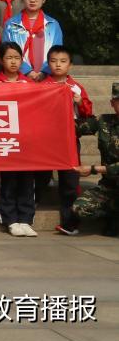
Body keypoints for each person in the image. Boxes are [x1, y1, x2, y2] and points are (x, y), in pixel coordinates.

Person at [42, 45, 95, 235]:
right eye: (54, 61)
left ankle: (70, 223)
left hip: (69, 138)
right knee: (40, 176)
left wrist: (80, 102)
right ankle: (28, 215)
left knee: (70, 180)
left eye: (63, 61)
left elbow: (88, 113)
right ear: (48, 64)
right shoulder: (42, 85)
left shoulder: (76, 87)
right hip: (46, 138)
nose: (58, 65)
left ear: (70, 65)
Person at [0, 43, 37, 237]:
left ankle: (26, 219)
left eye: (17, 58)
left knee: (27, 180)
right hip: (4, 140)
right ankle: (10, 219)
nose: (13, 62)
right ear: (0, 60)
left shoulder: (30, 84)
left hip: (26, 139)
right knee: (8, 181)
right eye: (9, 58)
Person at [70, 82, 119, 238]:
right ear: (112, 103)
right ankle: (113, 214)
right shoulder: (104, 121)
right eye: (118, 101)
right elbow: (74, 128)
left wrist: (93, 169)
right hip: (109, 186)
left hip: (108, 174)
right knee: (80, 208)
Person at [1, 0, 63, 79]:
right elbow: (7, 52)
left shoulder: (53, 24)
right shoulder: (11, 25)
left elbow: (57, 52)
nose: (32, 0)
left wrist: (44, 72)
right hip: (18, 77)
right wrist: (27, 71)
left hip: (48, 76)